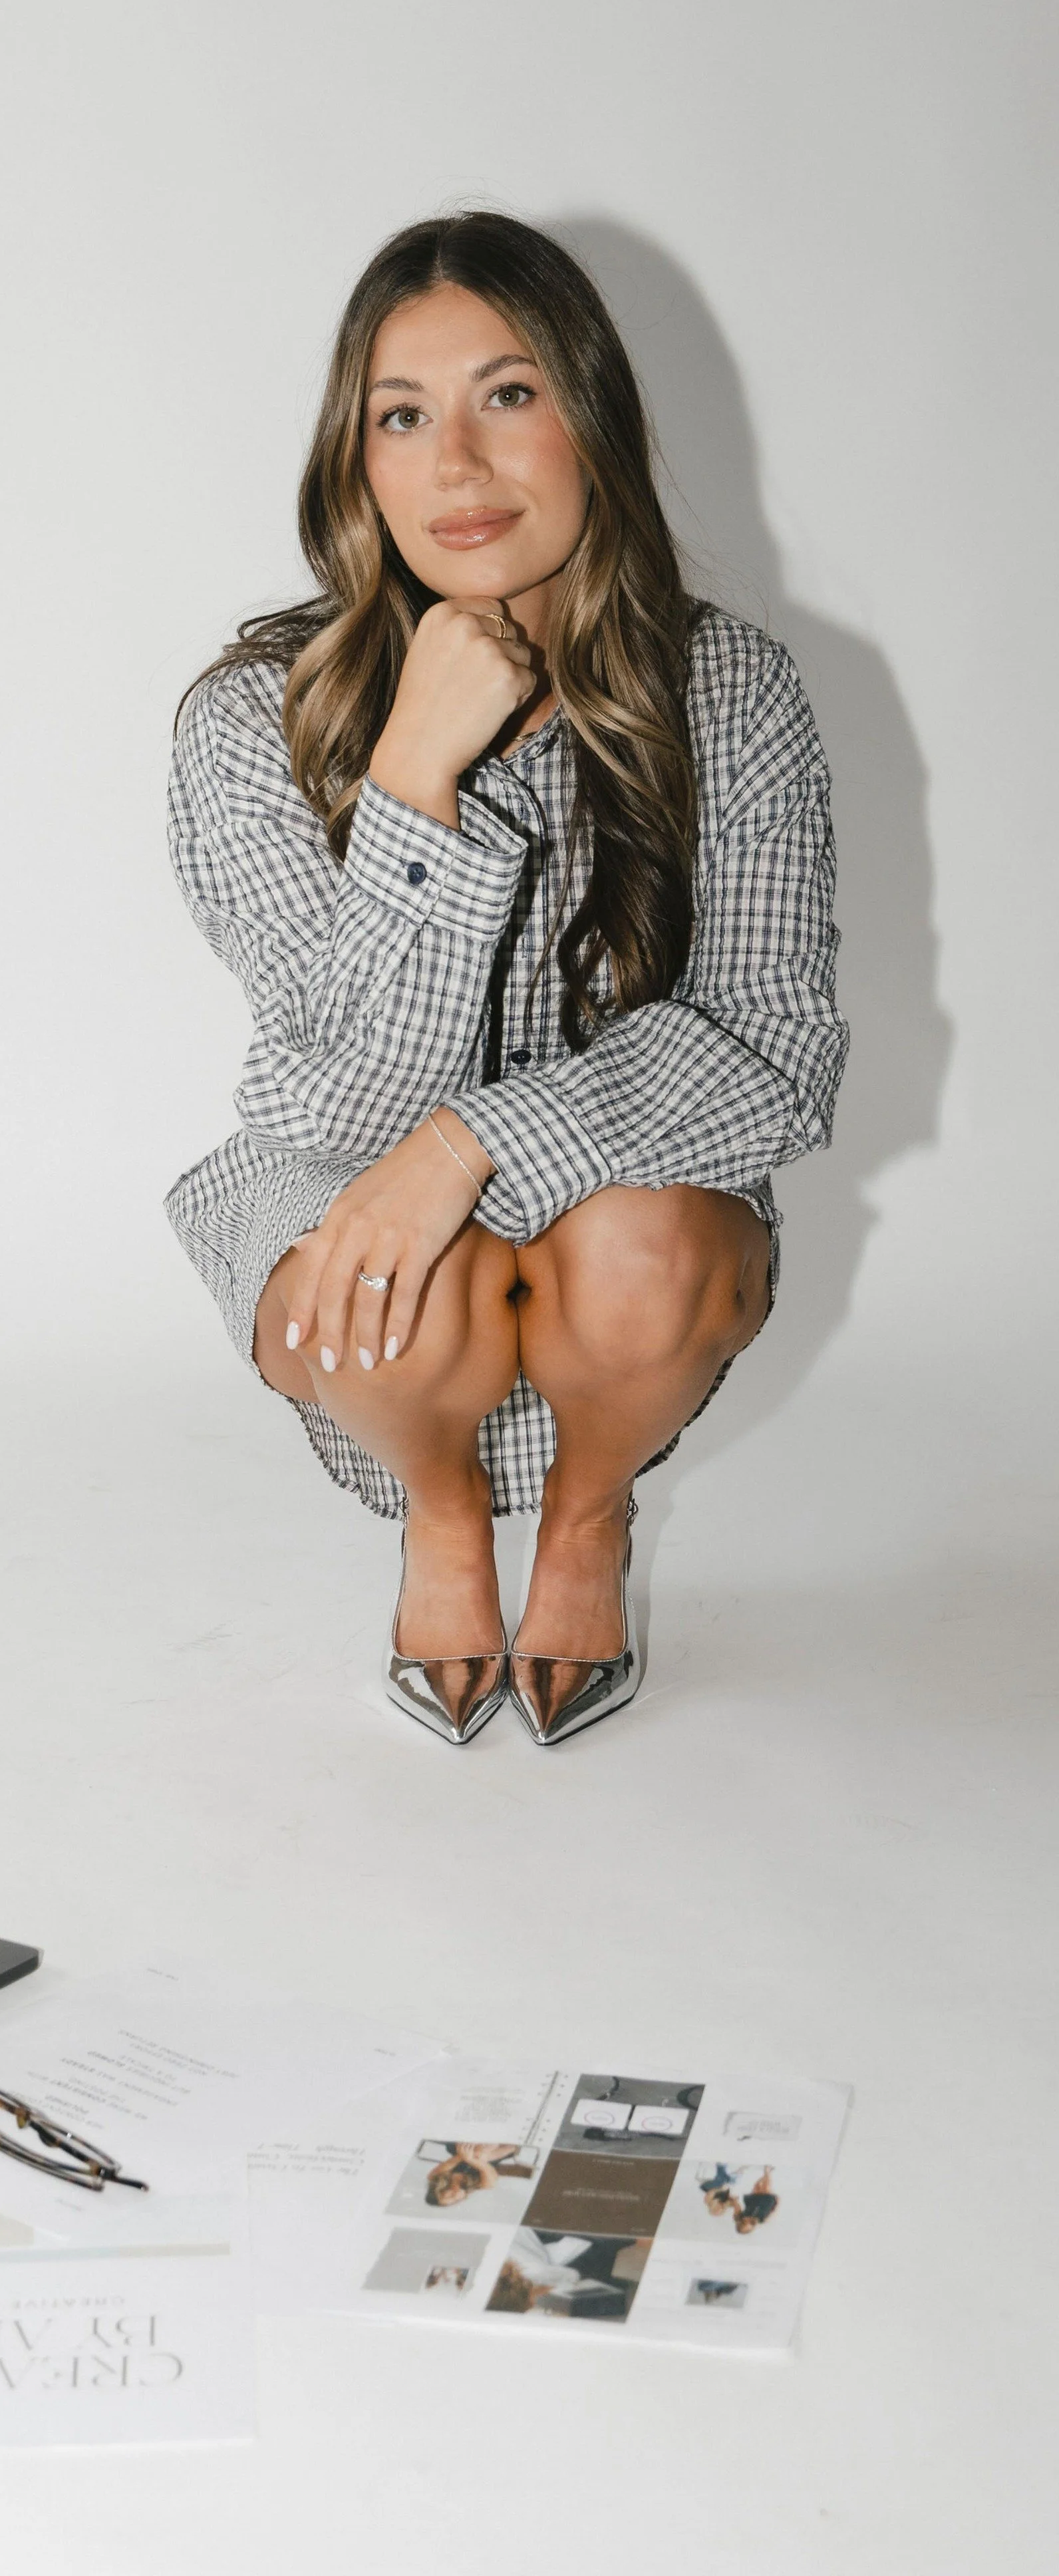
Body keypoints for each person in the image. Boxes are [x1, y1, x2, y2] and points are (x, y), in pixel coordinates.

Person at [166, 212, 847, 1748]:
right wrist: (414, 773)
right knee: (401, 1285)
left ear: (590, 416)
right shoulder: (252, 723)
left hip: (618, 1233)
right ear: (357, 461)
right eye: (404, 416)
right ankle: (445, 1512)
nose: (458, 464)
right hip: (356, 1214)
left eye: (509, 394)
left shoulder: (729, 692)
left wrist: (478, 1141)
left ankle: (590, 1516)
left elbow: (773, 1052)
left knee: (646, 1246)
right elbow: (345, 1107)